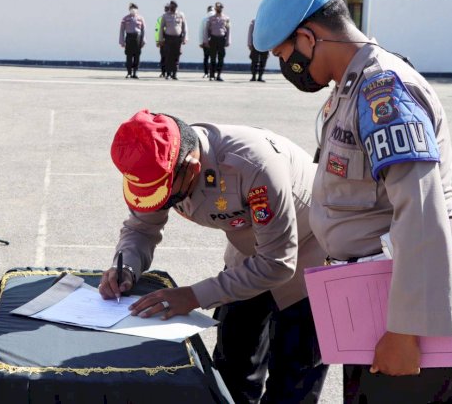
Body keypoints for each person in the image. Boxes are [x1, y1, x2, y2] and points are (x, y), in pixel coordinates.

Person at [253, 0, 452, 403]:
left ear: (308, 38)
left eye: (282, 53)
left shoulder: (385, 91)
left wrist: (405, 331)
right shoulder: (349, 87)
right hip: (370, 303)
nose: (283, 65)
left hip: (402, 313)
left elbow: (421, 212)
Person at [100, 110, 329, 403]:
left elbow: (277, 262)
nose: (162, 201)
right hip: (250, 250)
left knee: (294, 378)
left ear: (192, 168)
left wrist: (194, 295)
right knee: (232, 367)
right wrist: (126, 267)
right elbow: (141, 227)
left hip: (312, 253)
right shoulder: (161, 166)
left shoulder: (252, 166)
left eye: (166, 193)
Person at [158, 1, 188, 80]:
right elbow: (161, 28)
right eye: (172, 6)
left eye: (174, 7)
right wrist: (160, 39)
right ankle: (168, 73)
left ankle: (174, 74)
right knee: (168, 56)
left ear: (176, 7)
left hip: (177, 39)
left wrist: (185, 38)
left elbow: (185, 27)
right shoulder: (165, 16)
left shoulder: (181, 15)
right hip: (168, 38)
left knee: (176, 56)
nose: (173, 8)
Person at [119, 3, 146, 79]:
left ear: (137, 9)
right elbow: (122, 30)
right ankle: (129, 72)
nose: (133, 10)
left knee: (137, 56)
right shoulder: (125, 18)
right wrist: (122, 41)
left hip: (137, 38)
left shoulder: (140, 18)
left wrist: (143, 40)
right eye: (131, 8)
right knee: (129, 56)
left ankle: (135, 72)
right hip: (129, 38)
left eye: (134, 8)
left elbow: (144, 30)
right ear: (129, 9)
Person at [205, 2, 230, 81]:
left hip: (222, 39)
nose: (219, 9)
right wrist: (206, 40)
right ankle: (212, 75)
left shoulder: (226, 18)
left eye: (221, 8)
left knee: (221, 58)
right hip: (213, 39)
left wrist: (228, 41)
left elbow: (228, 30)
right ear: (215, 9)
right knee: (212, 58)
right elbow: (206, 30)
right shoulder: (211, 18)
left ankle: (219, 75)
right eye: (218, 8)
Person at [200, 5, 216, 79]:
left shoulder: (204, 19)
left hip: (208, 41)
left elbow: (201, 31)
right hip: (210, 41)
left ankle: (207, 73)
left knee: (207, 58)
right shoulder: (205, 20)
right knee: (211, 58)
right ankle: (211, 73)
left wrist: (200, 42)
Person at [155, 4, 169, 78]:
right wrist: (158, 41)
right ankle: (163, 72)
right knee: (163, 57)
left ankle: (168, 72)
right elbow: (157, 30)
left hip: (169, 40)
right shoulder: (160, 19)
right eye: (166, 9)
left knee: (168, 57)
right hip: (163, 41)